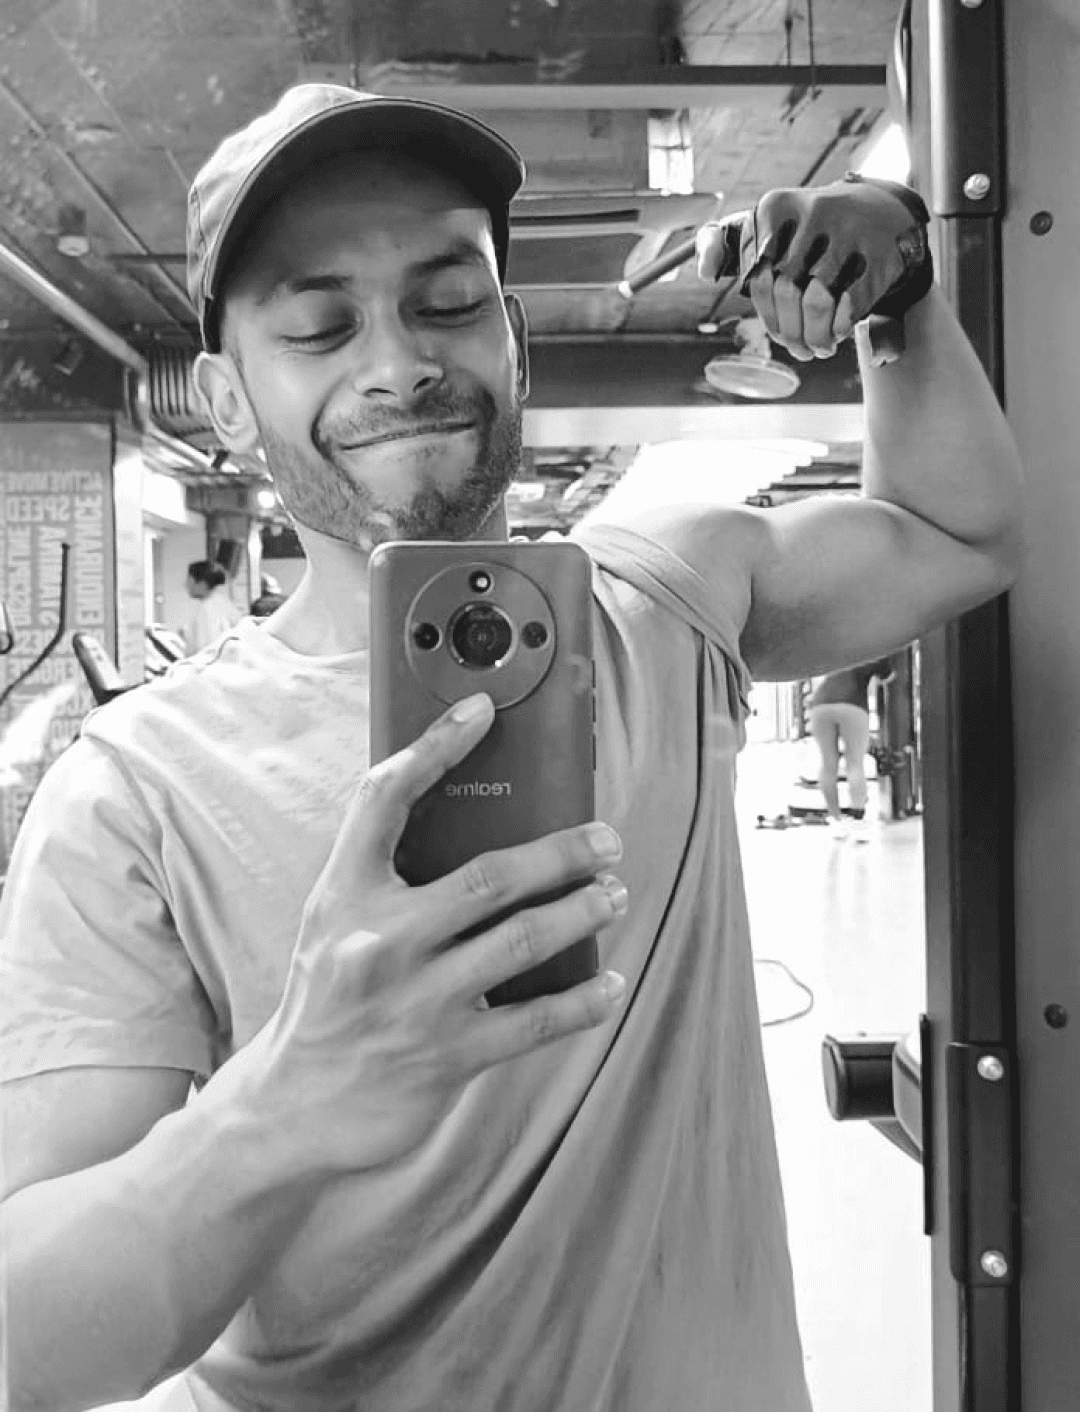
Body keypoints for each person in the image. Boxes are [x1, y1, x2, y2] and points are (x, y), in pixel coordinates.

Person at [0, 84, 1024, 1412]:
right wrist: (289, 1099)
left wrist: (902, 291)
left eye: (447, 302)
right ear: (227, 400)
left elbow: (962, 534)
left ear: (516, 341)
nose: (398, 365)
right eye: (319, 326)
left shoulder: (664, 600)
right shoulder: (136, 789)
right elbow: (34, 1341)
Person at [807, 656, 896, 842]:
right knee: (855, 764)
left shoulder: (838, 646)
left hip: (820, 704)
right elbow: (888, 677)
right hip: (852, 704)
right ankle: (857, 823)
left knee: (828, 765)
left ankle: (836, 822)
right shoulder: (874, 648)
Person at [182, 559, 244, 654]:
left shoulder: (208, 608)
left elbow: (207, 650)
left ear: (202, 583)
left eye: (189, 580)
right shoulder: (222, 602)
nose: (186, 585)